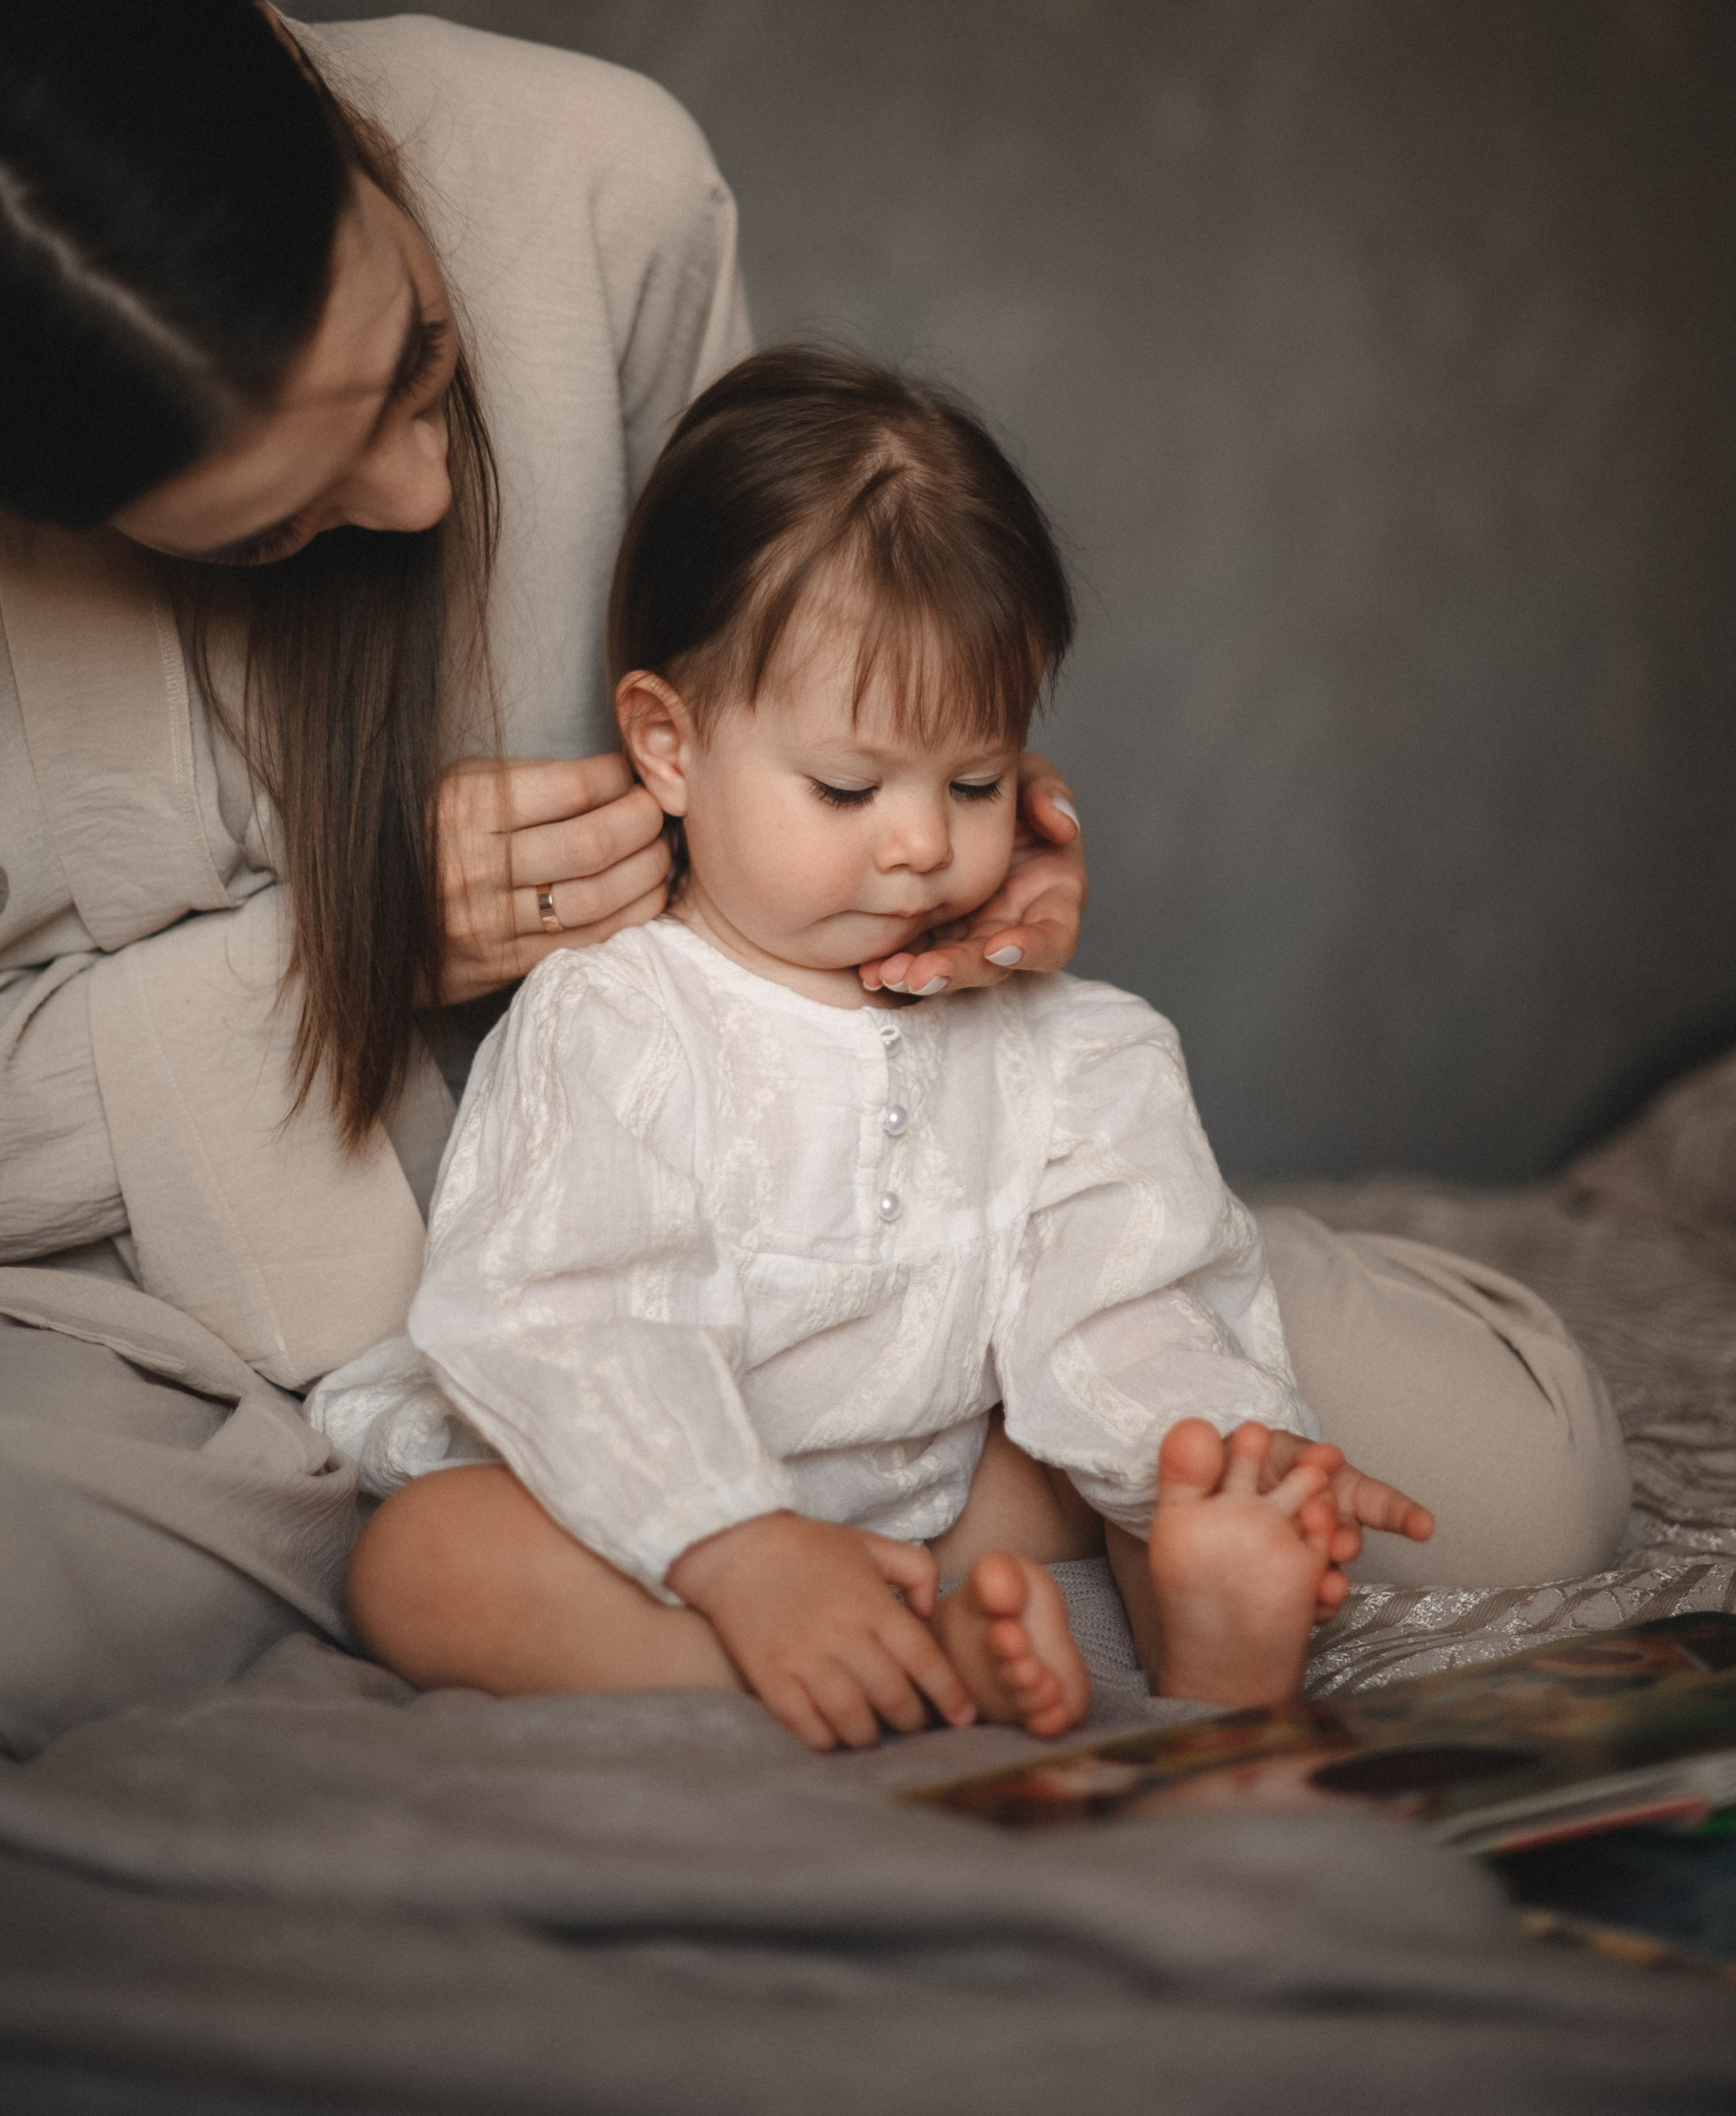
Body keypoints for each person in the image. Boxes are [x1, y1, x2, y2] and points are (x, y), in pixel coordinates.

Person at [0, 0, 1087, 1756]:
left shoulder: (601, 186)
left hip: (729, 1203)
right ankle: (819, 1625)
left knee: (1510, 1465)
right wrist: (333, 959)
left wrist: (953, 848)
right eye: (272, 535)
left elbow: (786, 677)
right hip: (155, 1329)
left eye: (422, 360)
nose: (424, 502)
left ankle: (880, 1572)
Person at [315, 352, 1624, 1746]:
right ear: (667, 745)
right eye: (846, 785)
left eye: (977, 779)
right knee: (423, 1559)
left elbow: (1126, 1296)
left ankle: (1212, 1643)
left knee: (1132, 1443)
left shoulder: (1071, 1047)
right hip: (667, 1509)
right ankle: (850, 1656)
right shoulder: (613, 1020)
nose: (924, 842)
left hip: (930, 1488)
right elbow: (570, 1315)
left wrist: (1224, 1453)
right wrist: (735, 1542)